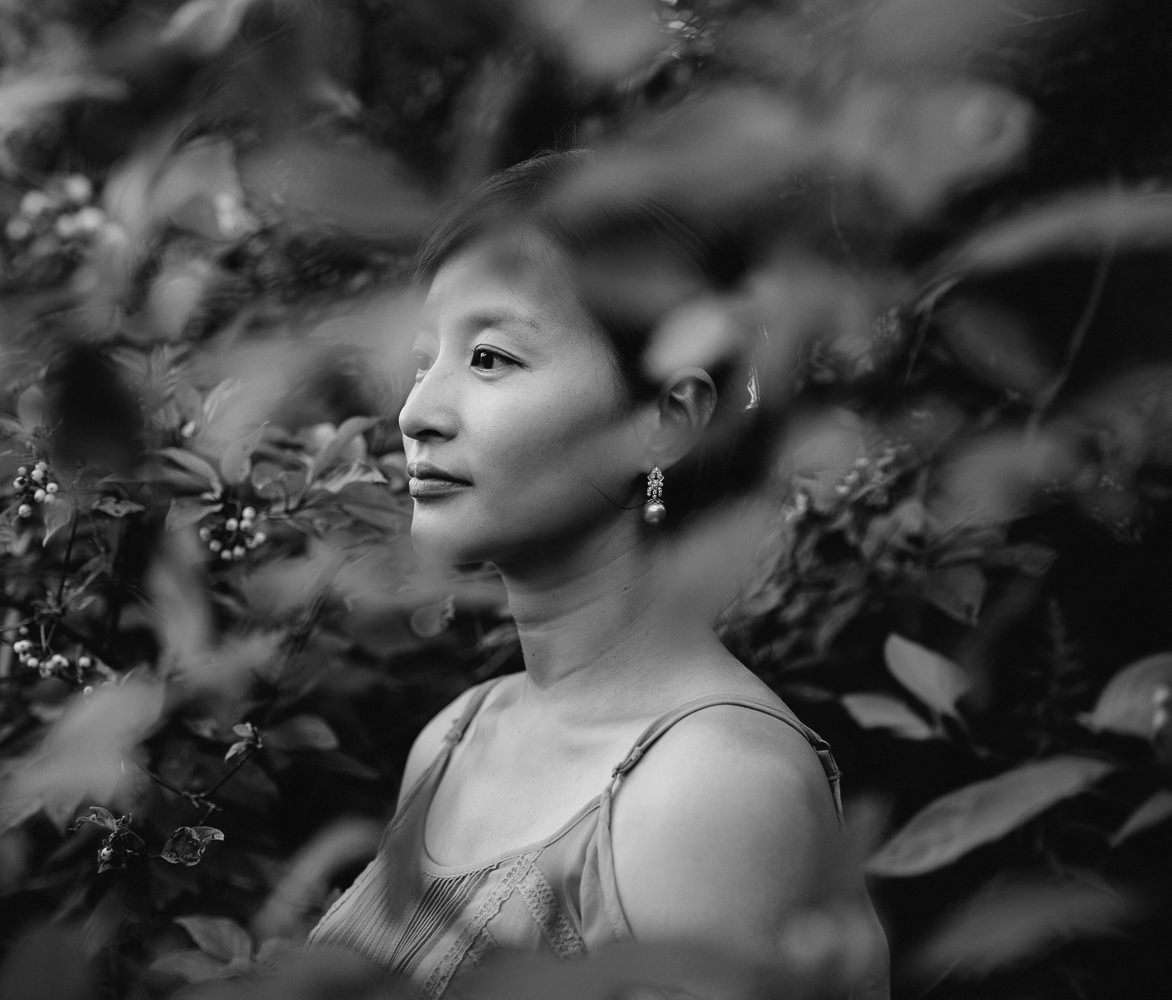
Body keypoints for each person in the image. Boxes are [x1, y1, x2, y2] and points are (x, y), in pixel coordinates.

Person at [307, 150, 890, 1000]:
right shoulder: (455, 738)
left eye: (490, 359)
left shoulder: (711, 790)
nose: (416, 413)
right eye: (425, 356)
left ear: (665, 419)